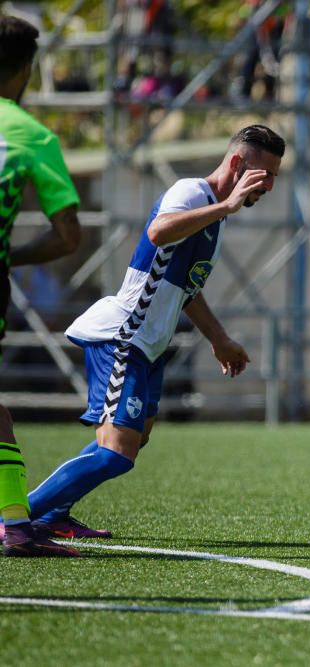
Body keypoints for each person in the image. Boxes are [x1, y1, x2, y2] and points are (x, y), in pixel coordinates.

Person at [24, 124, 284, 538]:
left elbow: (187, 290)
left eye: (274, 176)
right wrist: (227, 207)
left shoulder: (214, 216)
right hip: (125, 336)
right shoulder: (193, 193)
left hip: (149, 346)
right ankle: (18, 514)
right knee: (117, 452)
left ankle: (52, 514)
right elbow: (157, 231)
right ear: (237, 164)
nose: (269, 185)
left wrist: (218, 339)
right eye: (264, 174)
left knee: (133, 441)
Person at [0, 16, 83, 557]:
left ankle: (13, 521)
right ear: (28, 69)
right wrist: (12, 254)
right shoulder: (31, 134)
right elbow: (67, 236)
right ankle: (12, 524)